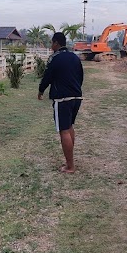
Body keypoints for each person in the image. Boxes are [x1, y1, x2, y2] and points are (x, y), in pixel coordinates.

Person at [38, 31, 84, 173]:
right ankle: (69, 160)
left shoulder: (55, 58)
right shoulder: (75, 57)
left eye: (52, 42)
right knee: (69, 127)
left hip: (62, 99)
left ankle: (70, 166)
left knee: (64, 130)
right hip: (76, 97)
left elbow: (47, 77)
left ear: (56, 43)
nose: (51, 45)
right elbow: (80, 76)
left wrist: (41, 90)